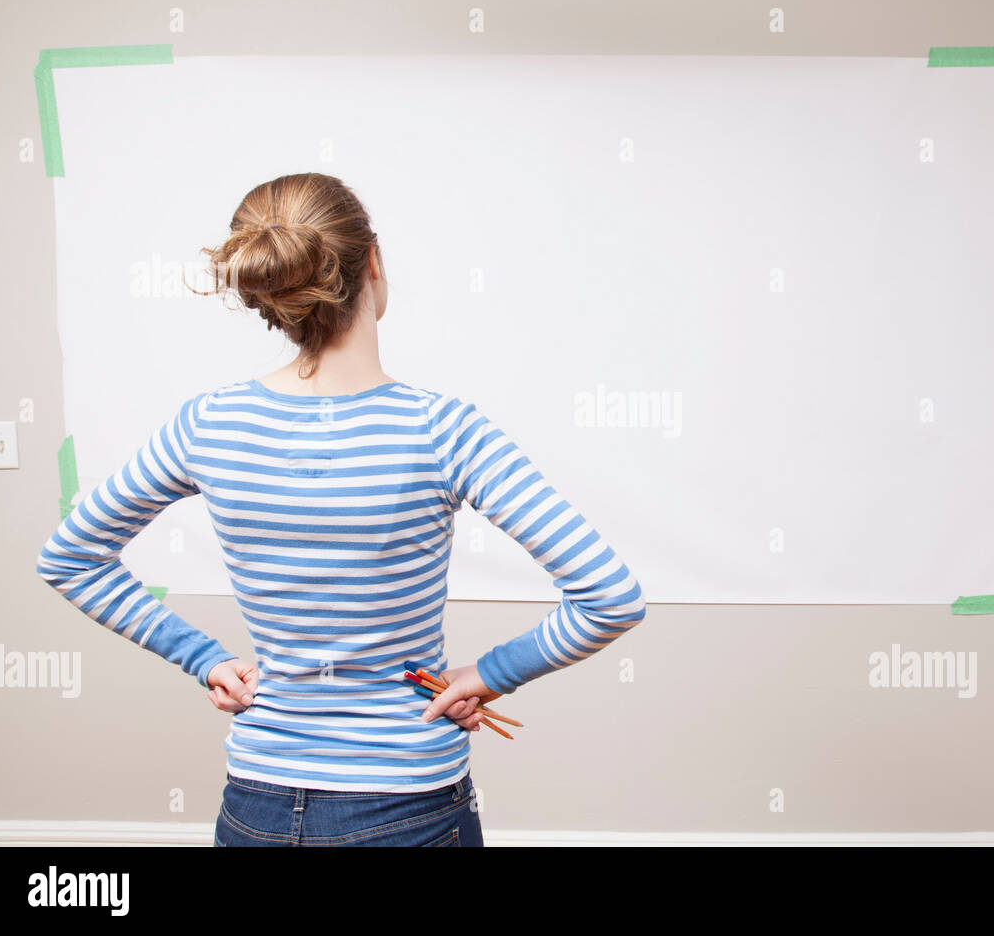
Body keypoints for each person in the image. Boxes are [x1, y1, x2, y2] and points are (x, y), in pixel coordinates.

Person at [34, 172, 647, 846]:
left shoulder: (210, 425)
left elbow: (70, 558)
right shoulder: (442, 430)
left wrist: (202, 657)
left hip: (256, 807)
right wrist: (487, 676)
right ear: (374, 262)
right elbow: (610, 598)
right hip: (407, 804)